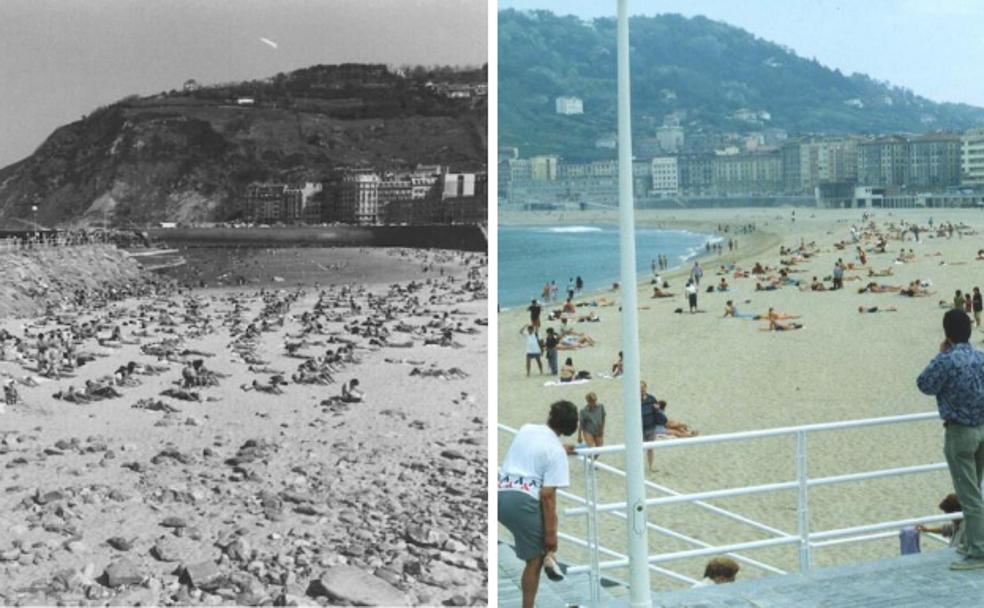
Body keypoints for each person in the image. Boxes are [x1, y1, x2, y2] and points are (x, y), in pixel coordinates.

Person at [916, 309, 984, 570]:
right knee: (974, 489)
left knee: (969, 495)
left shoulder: (948, 360)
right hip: (981, 429)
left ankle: (978, 551)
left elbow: (924, 384)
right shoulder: (980, 358)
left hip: (960, 433)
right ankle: (969, 541)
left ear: (947, 333)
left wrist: (942, 353)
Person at [498, 401, 579, 607]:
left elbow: (535, 449)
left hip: (499, 491)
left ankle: (549, 557)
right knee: (533, 561)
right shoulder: (556, 453)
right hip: (521, 501)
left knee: (548, 523)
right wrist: (552, 536)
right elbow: (547, 496)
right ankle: (547, 559)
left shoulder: (527, 429)